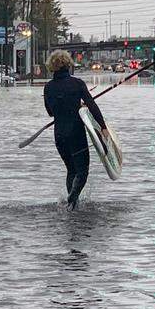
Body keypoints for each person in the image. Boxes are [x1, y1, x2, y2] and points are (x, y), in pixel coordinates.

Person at [43, 49, 107, 209]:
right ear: (68, 65)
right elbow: (92, 106)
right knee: (82, 172)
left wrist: (68, 105)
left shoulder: (48, 87)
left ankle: (73, 205)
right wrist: (103, 127)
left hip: (59, 136)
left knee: (71, 170)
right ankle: (72, 199)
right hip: (76, 134)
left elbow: (50, 112)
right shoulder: (77, 83)